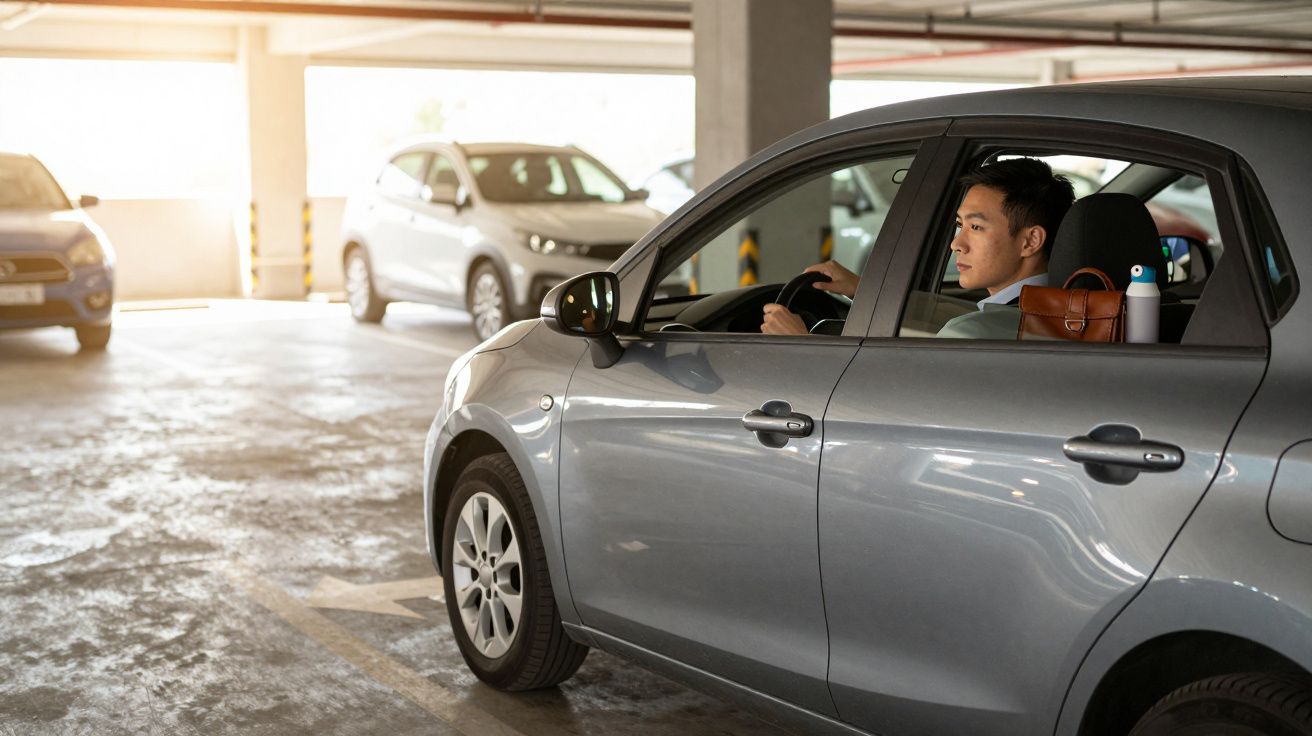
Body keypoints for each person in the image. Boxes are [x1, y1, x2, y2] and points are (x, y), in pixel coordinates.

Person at [761, 158, 1076, 338]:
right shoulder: (1071, 314)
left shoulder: (973, 335)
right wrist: (863, 289)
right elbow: (963, 313)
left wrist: (801, 343)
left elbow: (873, 407)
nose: (956, 244)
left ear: (1030, 241)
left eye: (976, 227)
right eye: (959, 225)